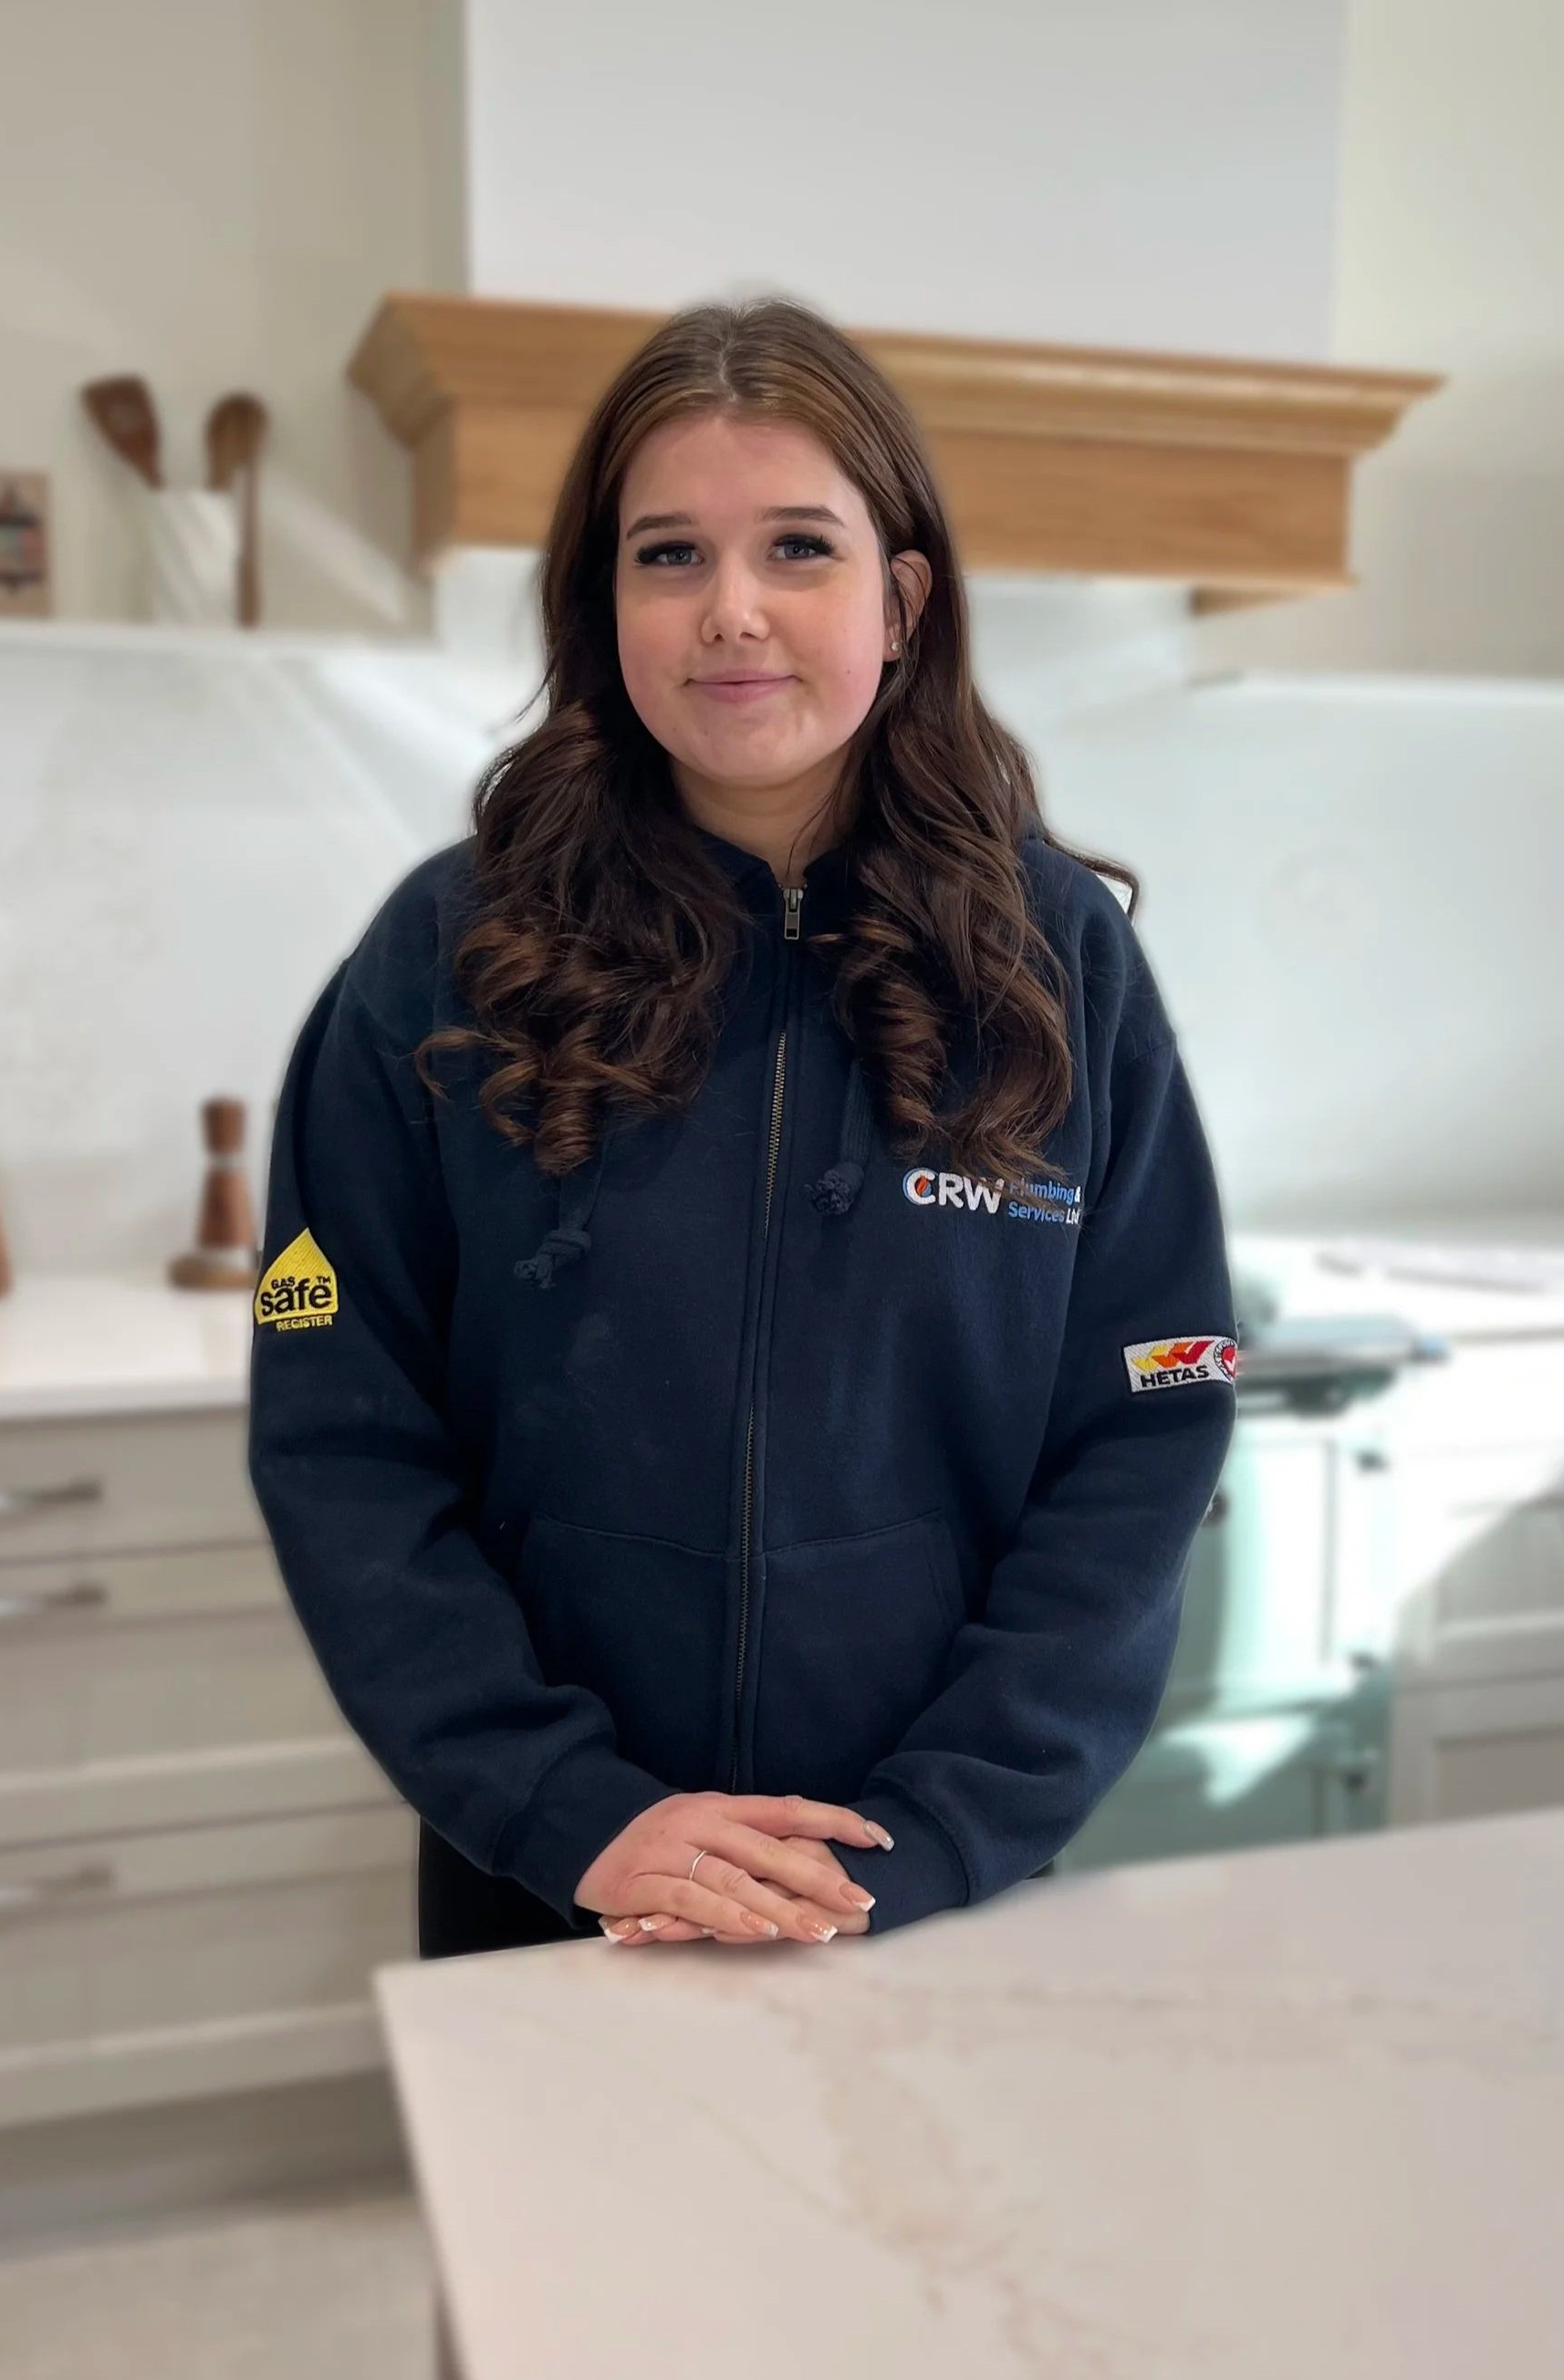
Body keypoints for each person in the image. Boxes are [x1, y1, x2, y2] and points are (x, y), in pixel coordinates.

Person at [246, 296, 1239, 1961]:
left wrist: (936, 1829)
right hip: (559, 1886)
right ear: (601, 603)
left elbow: (1150, 1422)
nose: (732, 614)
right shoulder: (443, 959)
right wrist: (574, 1812)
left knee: (947, 2231)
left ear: (902, 597)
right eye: (666, 556)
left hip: (928, 1888)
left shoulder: (1057, 968)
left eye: (798, 547)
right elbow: (340, 1431)